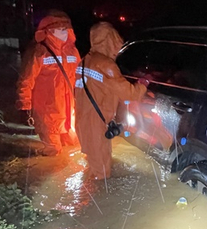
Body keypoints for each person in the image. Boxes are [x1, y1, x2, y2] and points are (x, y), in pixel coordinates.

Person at [74, 22, 149, 180]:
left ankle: (90, 194)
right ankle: (96, 199)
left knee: (93, 163)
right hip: (97, 124)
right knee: (102, 174)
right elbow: (130, 94)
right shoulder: (106, 65)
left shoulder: (85, 61)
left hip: (83, 121)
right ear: (110, 40)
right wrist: (143, 85)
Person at [16, 10, 80, 156]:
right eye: (60, 29)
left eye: (66, 29)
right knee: (53, 150)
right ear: (49, 30)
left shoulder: (72, 51)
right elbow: (27, 79)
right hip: (47, 108)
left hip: (69, 107)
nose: (64, 33)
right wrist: (24, 103)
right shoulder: (39, 52)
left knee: (74, 145)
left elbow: (79, 75)